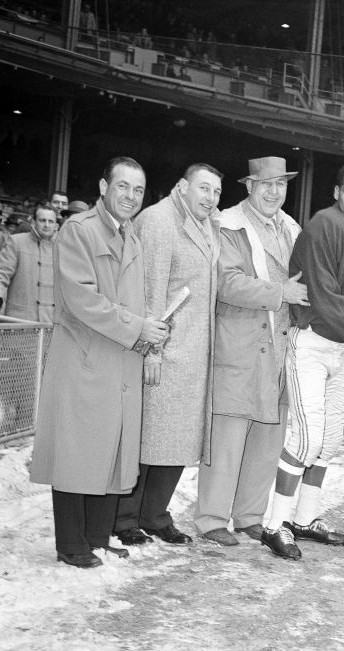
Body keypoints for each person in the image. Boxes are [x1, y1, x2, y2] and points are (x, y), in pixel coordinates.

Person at [29, 157, 170, 568]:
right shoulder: (79, 230)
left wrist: (145, 336)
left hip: (120, 358)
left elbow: (133, 301)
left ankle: (96, 536)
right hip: (86, 359)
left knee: (111, 450)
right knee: (78, 452)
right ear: (103, 186)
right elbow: (82, 299)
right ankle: (71, 543)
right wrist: (138, 328)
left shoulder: (132, 238)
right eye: (123, 186)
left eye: (138, 190)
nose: (130, 196)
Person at [260, 161, 344, 560]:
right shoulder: (322, 225)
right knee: (306, 436)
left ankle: (305, 518)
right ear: (336, 192)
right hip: (312, 339)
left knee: (329, 440)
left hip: (343, 347)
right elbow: (325, 294)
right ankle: (273, 524)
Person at [195, 157, 307, 546]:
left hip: (280, 347)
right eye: (266, 184)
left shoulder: (292, 228)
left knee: (268, 435)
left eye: (281, 184)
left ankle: (249, 516)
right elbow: (225, 282)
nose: (274, 191)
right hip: (241, 344)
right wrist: (281, 294)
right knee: (227, 434)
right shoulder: (228, 225)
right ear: (249, 186)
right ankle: (211, 519)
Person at [113, 163, 224, 547]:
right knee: (148, 439)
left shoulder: (206, 224)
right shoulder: (160, 221)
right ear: (182, 186)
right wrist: (152, 351)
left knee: (175, 442)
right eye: (204, 189)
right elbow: (152, 288)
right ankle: (124, 517)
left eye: (216, 193)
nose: (210, 198)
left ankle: (154, 514)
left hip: (193, 353)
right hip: (165, 349)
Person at [0, 205, 59, 322]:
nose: (46, 225)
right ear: (33, 222)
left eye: (51, 221)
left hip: (50, 323)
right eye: (42, 220)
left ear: (56, 225)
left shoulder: (63, 248)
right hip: (19, 321)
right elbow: (1, 273)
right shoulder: (16, 241)